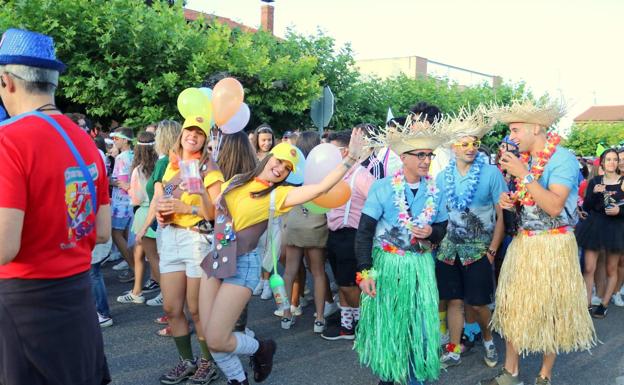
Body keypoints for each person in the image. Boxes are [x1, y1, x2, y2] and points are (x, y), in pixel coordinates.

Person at [198, 130, 366, 385]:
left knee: (217, 338)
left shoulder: (279, 195)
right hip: (217, 257)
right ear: (268, 158)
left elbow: (322, 187)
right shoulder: (238, 180)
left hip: (241, 264)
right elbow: (213, 211)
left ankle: (260, 348)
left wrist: (351, 158)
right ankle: (237, 379)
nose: (280, 169)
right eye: (278, 162)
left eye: (287, 168)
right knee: (208, 335)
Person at [0, 28, 111, 384]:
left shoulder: (9, 140)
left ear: (7, 81)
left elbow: (4, 246)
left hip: (24, 307)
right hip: (76, 300)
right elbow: (103, 231)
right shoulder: (86, 141)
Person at [479, 100, 596, 385]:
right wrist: (511, 200)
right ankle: (511, 373)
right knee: (514, 308)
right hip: (524, 244)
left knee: (551, 311)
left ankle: (544, 375)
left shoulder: (562, 159)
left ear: (537, 128)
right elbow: (529, 200)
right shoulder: (527, 161)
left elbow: (555, 206)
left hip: (553, 246)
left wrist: (524, 174)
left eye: (516, 129)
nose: (511, 136)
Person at [355, 119, 449, 385]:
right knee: (391, 326)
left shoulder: (435, 190)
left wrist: (432, 233)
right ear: (403, 157)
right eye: (420, 155)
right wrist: (365, 272)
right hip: (389, 267)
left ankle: (414, 377)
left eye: (429, 155)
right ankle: (389, 376)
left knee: (419, 327)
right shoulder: (382, 187)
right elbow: (363, 232)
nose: (426, 160)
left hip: (420, 265)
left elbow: (442, 227)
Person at [434, 108, 506, 369]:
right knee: (453, 300)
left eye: (474, 143)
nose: (471, 148)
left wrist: (493, 249)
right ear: (453, 148)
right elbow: (438, 215)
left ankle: (487, 339)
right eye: (464, 144)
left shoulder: (491, 173)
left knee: (478, 303)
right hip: (449, 249)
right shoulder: (442, 178)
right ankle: (453, 348)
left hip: (479, 249)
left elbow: (502, 214)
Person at [153, 116, 223, 385]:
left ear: (205, 140)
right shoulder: (171, 167)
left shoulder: (209, 168)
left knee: (197, 309)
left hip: (196, 240)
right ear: (181, 134)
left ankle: (208, 362)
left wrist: (189, 208)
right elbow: (165, 202)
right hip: (170, 239)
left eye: (199, 133)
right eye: (189, 130)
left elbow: (215, 213)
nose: (192, 135)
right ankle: (186, 361)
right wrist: (162, 215)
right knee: (172, 308)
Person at [322, 130, 375, 341]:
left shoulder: (361, 175)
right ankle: (347, 324)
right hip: (334, 235)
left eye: (332, 150)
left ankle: (364, 323)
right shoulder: (332, 174)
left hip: (352, 236)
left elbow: (376, 202)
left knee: (349, 285)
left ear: (345, 151)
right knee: (341, 282)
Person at [280, 131, 332, 332]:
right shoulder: (323, 166)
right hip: (316, 222)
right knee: (318, 272)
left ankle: (286, 314)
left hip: (294, 220)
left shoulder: (293, 167)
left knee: (290, 271)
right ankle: (319, 318)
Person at [136, 120, 182, 310]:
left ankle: (171, 305)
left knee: (167, 265)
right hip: (168, 220)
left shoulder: (165, 162)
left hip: (166, 221)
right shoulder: (169, 160)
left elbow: (158, 197)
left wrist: (145, 227)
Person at [576, 148, 624, 317]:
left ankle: (603, 304)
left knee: (611, 269)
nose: (611, 162)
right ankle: (587, 303)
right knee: (589, 267)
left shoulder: (623, 181)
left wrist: (620, 210)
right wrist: (594, 192)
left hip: (615, 228)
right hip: (595, 227)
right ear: (602, 162)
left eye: (614, 159)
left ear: (617, 162)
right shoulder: (595, 180)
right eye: (608, 159)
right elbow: (587, 206)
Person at [118, 131, 158, 304]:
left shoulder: (138, 170)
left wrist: (128, 189)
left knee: (150, 257)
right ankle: (136, 291)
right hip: (157, 212)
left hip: (143, 214)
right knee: (142, 253)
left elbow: (136, 198)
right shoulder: (160, 165)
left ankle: (166, 293)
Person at [109, 126, 135, 282]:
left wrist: (106, 181)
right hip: (129, 202)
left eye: (116, 139)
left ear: (125, 140)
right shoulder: (132, 154)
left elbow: (122, 182)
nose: (114, 141)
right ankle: (133, 267)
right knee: (125, 235)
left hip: (122, 202)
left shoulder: (121, 158)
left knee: (116, 234)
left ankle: (133, 268)